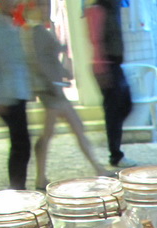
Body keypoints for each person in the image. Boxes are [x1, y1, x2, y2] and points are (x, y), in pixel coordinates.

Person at [25, 3, 111, 190]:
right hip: (52, 92)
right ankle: (41, 177)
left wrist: (63, 71)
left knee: (72, 129)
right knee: (50, 135)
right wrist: (55, 80)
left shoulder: (41, 31)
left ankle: (97, 167)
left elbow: (48, 60)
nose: (46, 9)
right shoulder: (38, 32)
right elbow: (41, 63)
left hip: (55, 90)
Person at [0, 0, 33, 190]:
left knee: (22, 144)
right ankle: (17, 188)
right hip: (7, 96)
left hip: (18, 92)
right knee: (21, 144)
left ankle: (18, 187)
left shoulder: (13, 26)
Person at [85, 0, 134, 168]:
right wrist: (102, 68)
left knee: (125, 105)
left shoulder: (115, 7)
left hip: (115, 64)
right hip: (106, 65)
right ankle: (115, 154)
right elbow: (96, 40)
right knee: (113, 110)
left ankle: (114, 140)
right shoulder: (98, 9)